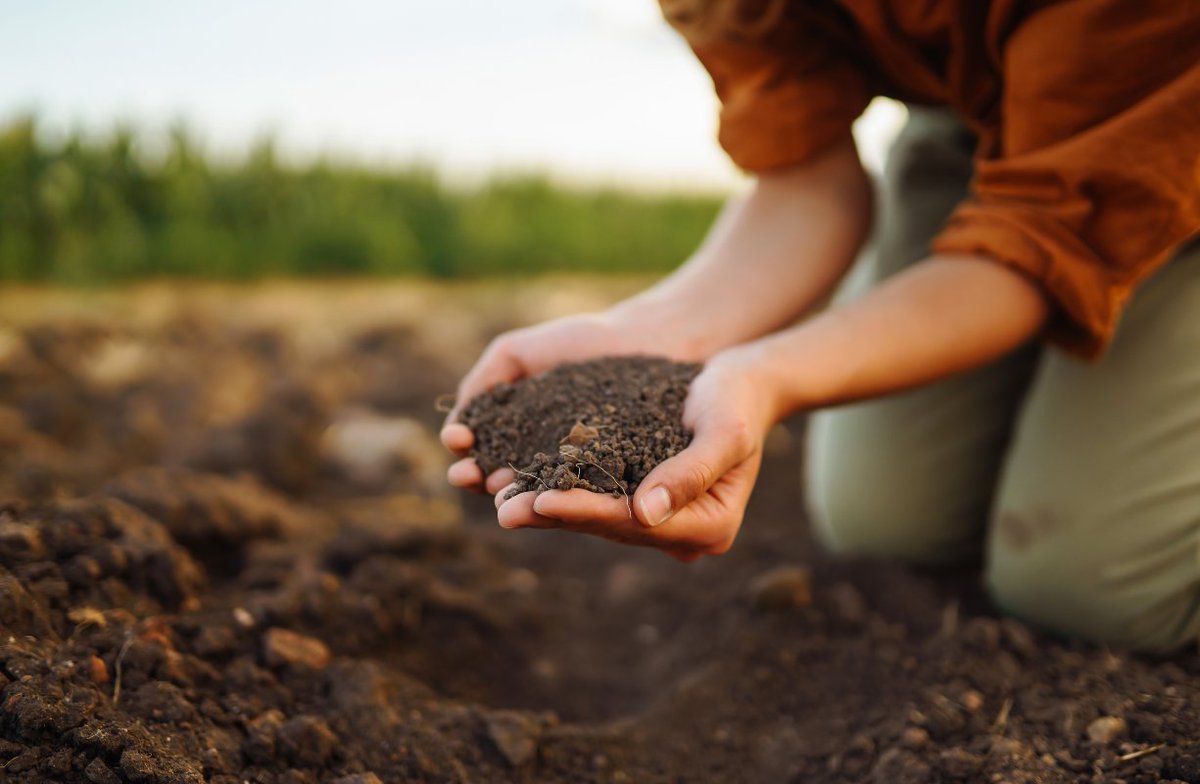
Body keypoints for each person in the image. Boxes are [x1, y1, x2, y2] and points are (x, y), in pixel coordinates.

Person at [441, 0, 1200, 652]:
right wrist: (664, 334)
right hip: (982, 118)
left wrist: (770, 376)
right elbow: (806, 181)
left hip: (1171, 107)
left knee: (1089, 589)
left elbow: (1036, 245)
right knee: (888, 523)